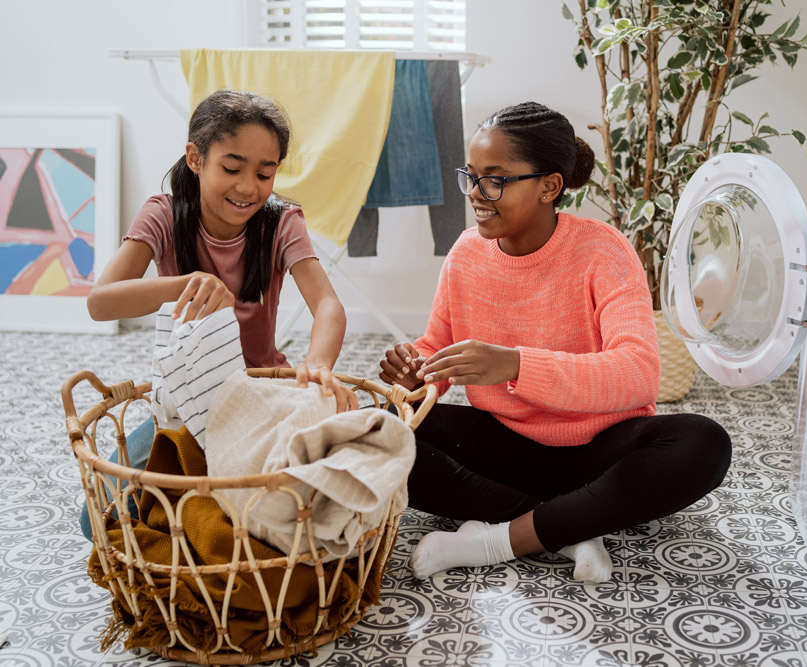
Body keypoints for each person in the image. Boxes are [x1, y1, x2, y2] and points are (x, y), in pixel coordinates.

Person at [379, 101, 732, 583]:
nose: (477, 194)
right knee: (374, 430)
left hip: (598, 451)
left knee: (702, 442)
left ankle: (496, 541)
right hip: (505, 445)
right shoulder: (466, 252)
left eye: (496, 180)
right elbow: (435, 346)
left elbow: (639, 373)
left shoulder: (602, 250)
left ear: (549, 186)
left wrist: (515, 365)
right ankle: (568, 528)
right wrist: (416, 374)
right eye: (471, 176)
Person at [81, 89, 358, 539]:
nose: (248, 187)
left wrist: (320, 365)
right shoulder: (164, 214)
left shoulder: (281, 221)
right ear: (195, 158)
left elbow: (327, 305)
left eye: (265, 173)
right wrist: (185, 284)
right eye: (232, 168)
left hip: (264, 396)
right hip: (186, 404)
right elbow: (101, 302)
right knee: (99, 518)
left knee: (298, 508)